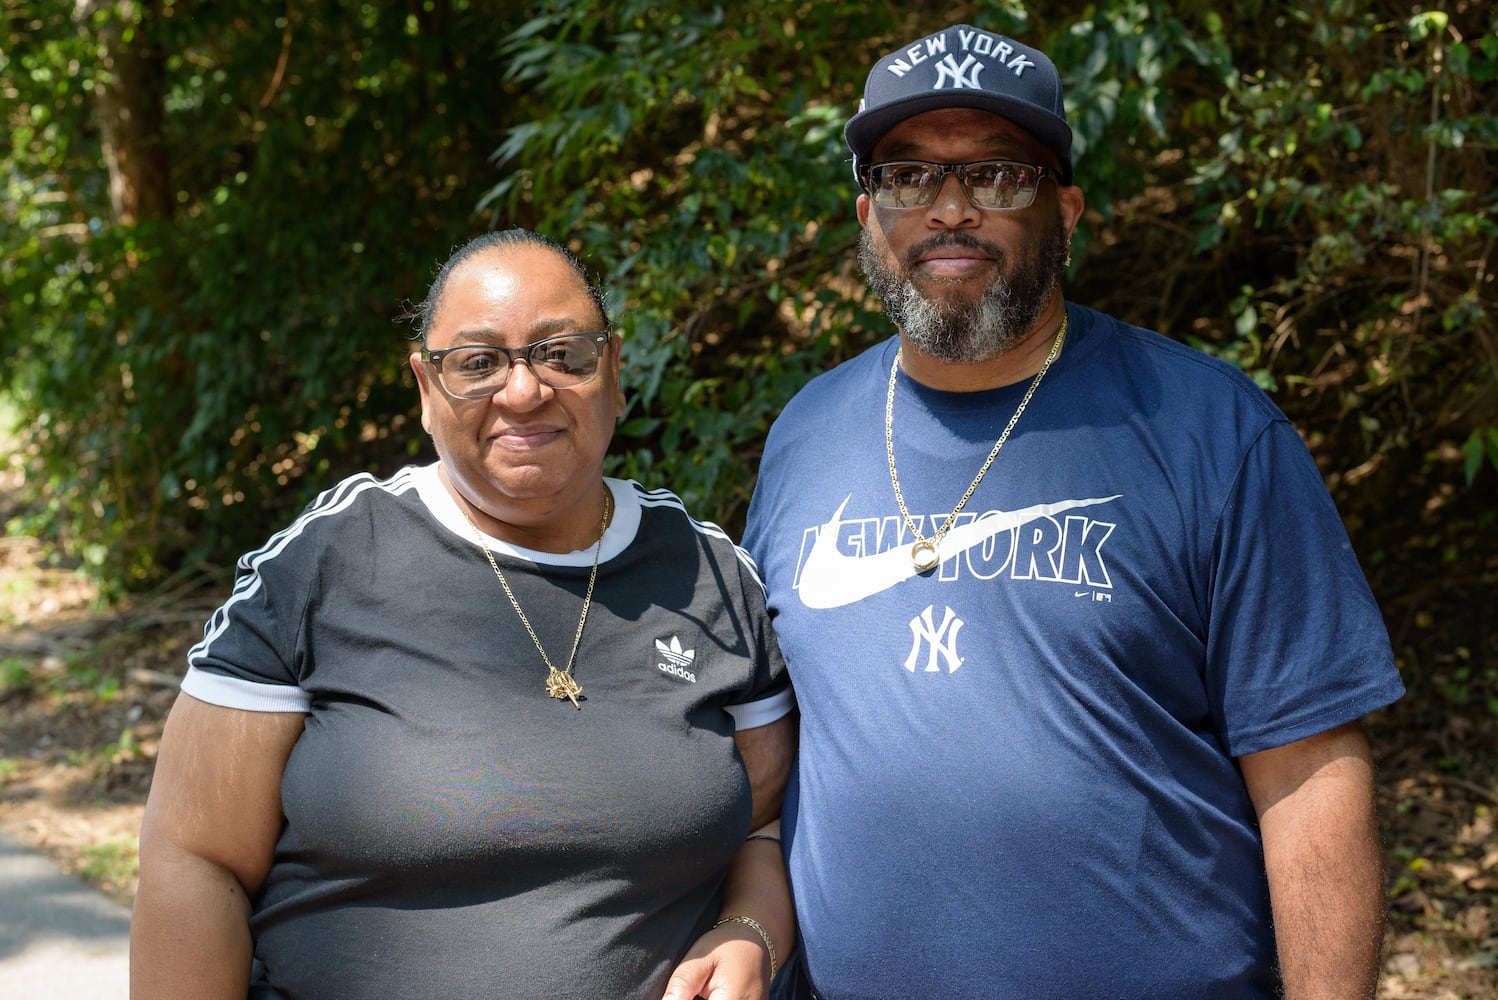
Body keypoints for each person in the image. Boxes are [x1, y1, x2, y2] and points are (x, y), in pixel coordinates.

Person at [743, 24, 1404, 1000]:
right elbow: (770, 758)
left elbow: (1310, 778)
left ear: (1067, 207)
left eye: (998, 175)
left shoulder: (1209, 429)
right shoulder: (805, 433)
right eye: (907, 175)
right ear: (865, 212)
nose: (950, 208)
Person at [131, 229, 796, 1000]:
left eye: (563, 354)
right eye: (477, 363)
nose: (523, 391)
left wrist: (749, 931)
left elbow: (765, 826)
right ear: (425, 388)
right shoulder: (326, 563)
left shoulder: (710, 577)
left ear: (614, 373)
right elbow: (194, 856)